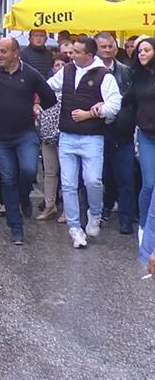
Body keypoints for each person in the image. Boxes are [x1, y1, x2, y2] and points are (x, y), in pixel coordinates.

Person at [0, 37, 57, 244]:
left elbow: (51, 98)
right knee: (8, 180)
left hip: (26, 135)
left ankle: (24, 197)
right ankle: (16, 228)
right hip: (1, 138)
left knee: (29, 171)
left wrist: (36, 104)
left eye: (3, 52)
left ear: (16, 53)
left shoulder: (30, 74)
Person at [46, 36, 122, 248]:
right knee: (69, 184)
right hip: (67, 136)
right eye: (72, 51)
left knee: (93, 180)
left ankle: (94, 213)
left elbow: (115, 103)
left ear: (89, 55)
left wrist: (92, 112)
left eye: (77, 52)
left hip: (92, 137)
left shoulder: (104, 75)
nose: (72, 55)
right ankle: (74, 228)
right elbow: (49, 86)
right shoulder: (67, 70)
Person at [95, 32, 136, 234]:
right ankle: (101, 212)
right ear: (96, 48)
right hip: (97, 132)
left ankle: (126, 219)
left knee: (125, 177)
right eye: (103, 46)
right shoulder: (88, 73)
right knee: (101, 177)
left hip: (122, 132)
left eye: (111, 46)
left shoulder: (126, 71)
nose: (108, 50)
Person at [125, 38, 155, 234]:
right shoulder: (136, 75)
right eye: (139, 51)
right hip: (146, 134)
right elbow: (126, 100)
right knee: (149, 183)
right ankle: (144, 227)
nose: (141, 54)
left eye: (146, 50)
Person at [36, 55, 67, 221]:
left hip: (65, 134)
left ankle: (68, 211)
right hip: (47, 134)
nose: (60, 67)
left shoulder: (71, 86)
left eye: (63, 64)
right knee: (49, 172)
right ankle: (49, 205)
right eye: (57, 65)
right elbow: (36, 102)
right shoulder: (45, 86)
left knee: (67, 174)